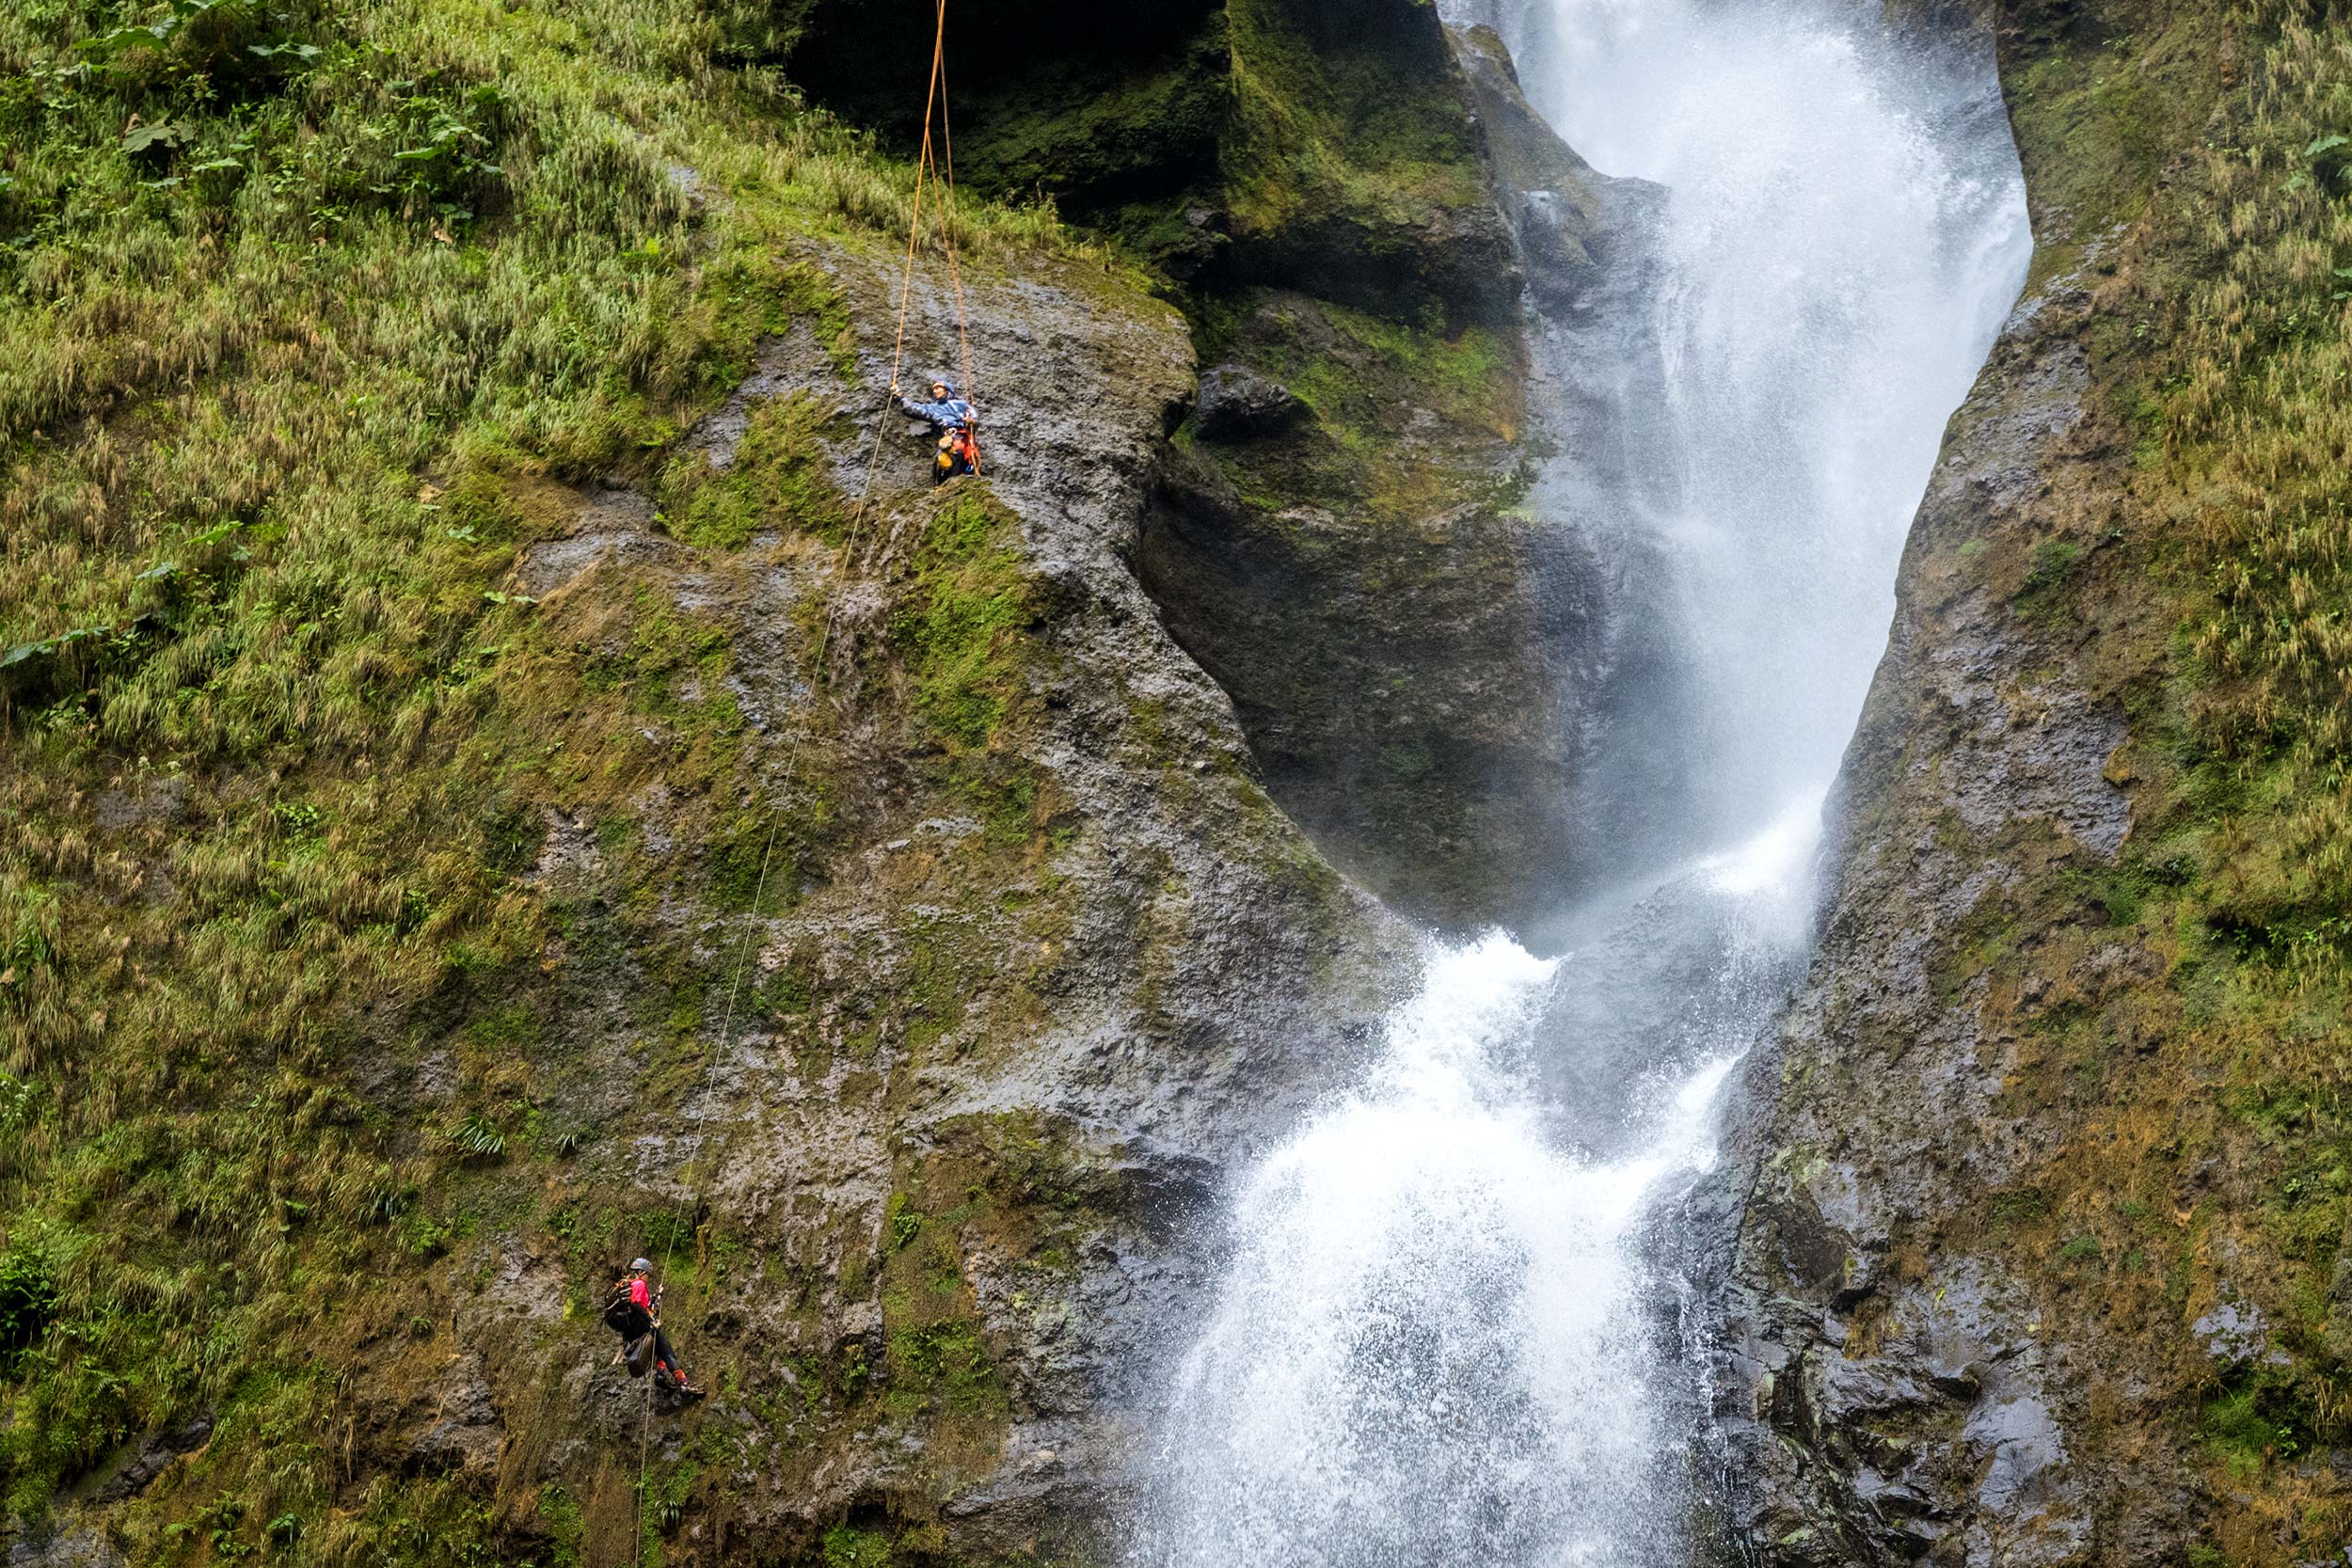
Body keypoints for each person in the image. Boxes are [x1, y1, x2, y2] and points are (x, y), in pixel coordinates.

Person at [603, 1258, 701, 1398]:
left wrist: (657, 1296)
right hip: (642, 1326)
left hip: (633, 1331)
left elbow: (646, 1307)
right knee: (667, 1350)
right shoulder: (639, 1284)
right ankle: (683, 1383)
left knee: (659, 1349)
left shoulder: (631, 1286)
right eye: (647, 1274)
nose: (648, 1277)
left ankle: (661, 1376)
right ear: (641, 1272)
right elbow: (636, 1305)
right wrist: (651, 1321)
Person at [893, 375, 980, 483]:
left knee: (960, 451)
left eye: (938, 388)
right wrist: (900, 397)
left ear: (947, 390)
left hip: (961, 434)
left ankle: (957, 480)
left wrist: (971, 421)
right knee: (939, 459)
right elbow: (915, 408)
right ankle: (940, 483)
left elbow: (973, 416)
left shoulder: (960, 404)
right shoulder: (933, 408)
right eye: (934, 389)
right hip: (948, 435)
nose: (935, 391)